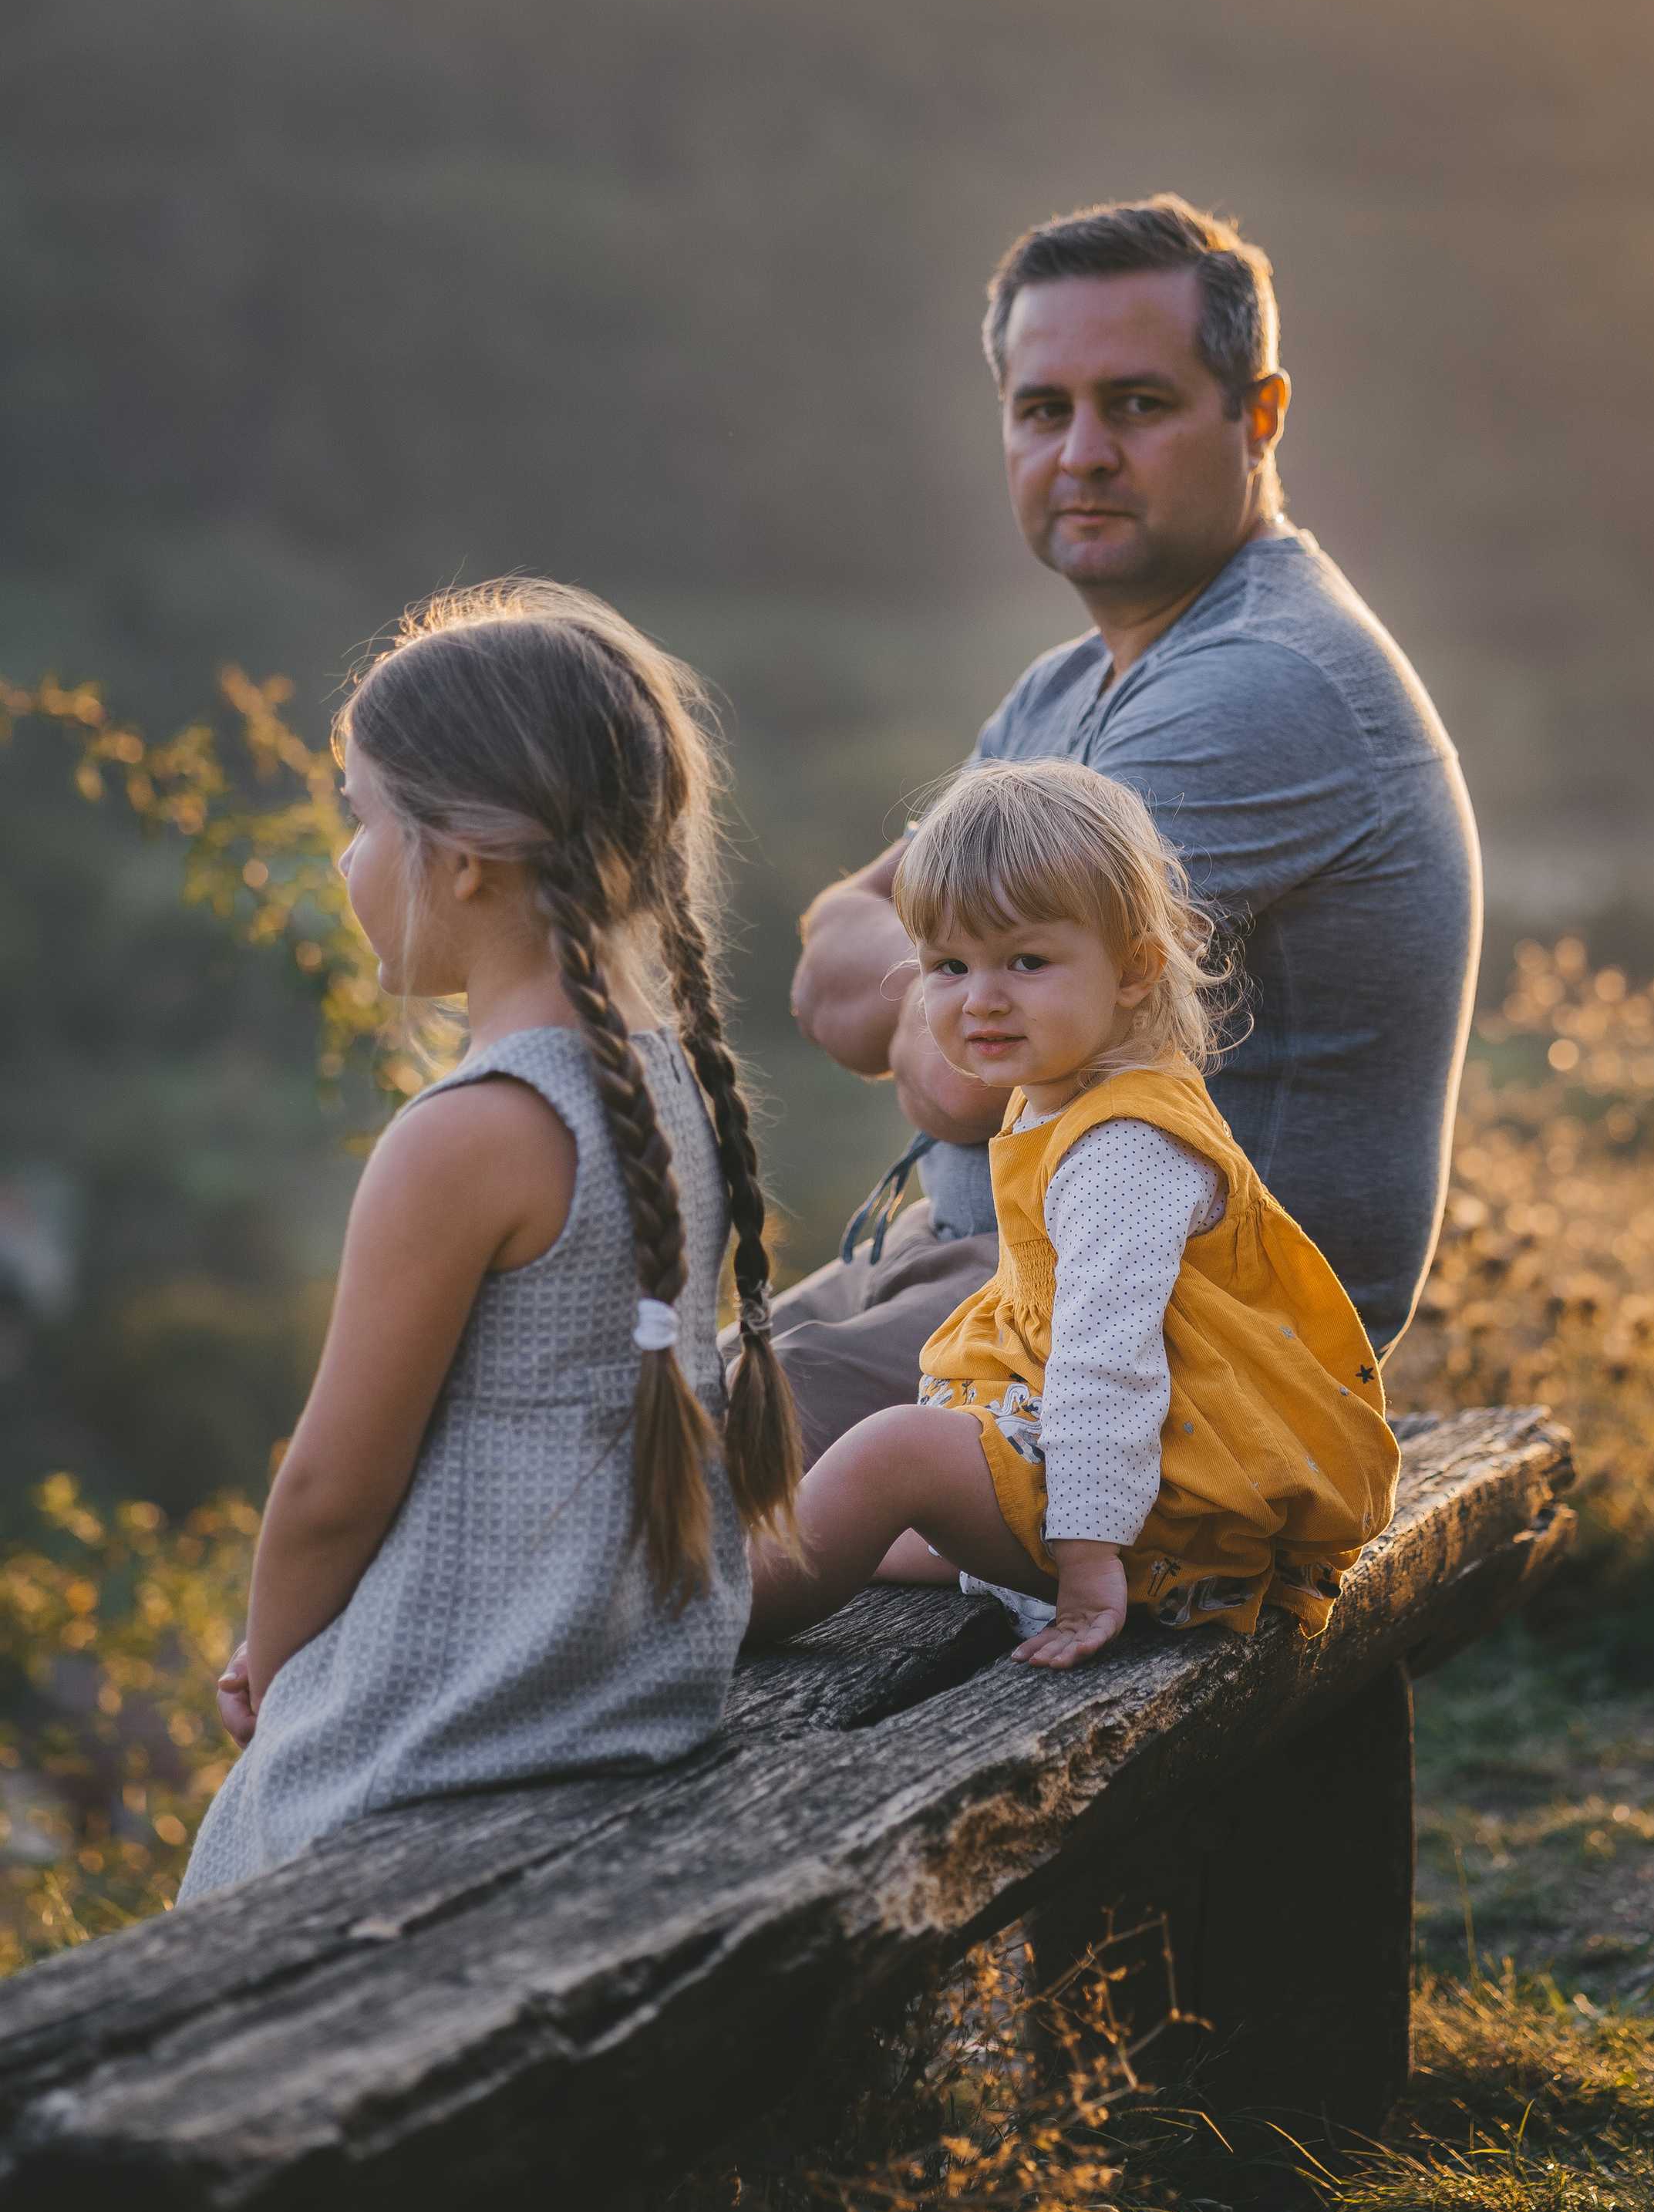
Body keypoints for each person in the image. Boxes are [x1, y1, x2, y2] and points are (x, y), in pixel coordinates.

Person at [773, 194, 1480, 1458]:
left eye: (1137, 405)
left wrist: (924, 989)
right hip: (989, 1283)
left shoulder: (1262, 689)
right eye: (1044, 410)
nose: (1083, 452)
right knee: (558, 1434)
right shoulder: (1062, 690)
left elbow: (949, 1083)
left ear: (1258, 417)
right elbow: (828, 956)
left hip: (1171, 1356)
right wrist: (951, 990)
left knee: (625, 1485)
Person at [177, 581, 802, 1902]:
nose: (345, 862)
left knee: (221, 1878)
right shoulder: (670, 1088)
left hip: (459, 1734)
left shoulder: (466, 1136)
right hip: (625, 1697)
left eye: (358, 819)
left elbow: (332, 1486)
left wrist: (276, 1666)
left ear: (461, 859)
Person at [747, 760, 1400, 1667]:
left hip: (1159, 1507)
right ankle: (726, 1574)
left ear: (1135, 969)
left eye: (1025, 961)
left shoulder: (1124, 1145)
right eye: (947, 965)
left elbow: (1109, 1360)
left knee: (891, 1455)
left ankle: (690, 1629)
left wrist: (1091, 1562)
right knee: (867, 1526)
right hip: (1116, 1473)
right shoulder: (1062, 1089)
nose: (981, 997)